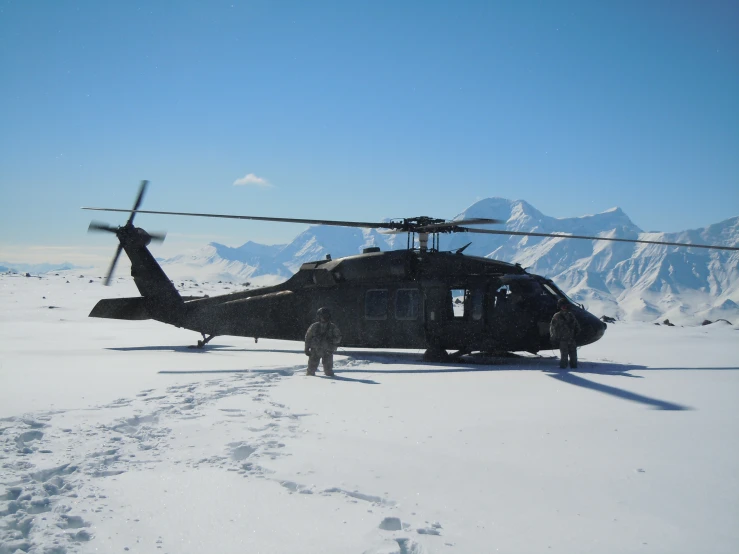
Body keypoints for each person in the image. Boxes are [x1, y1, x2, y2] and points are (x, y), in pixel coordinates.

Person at [304, 307, 342, 376]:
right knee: (310, 371)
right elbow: (308, 338)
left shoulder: (332, 327)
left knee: (328, 372)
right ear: (319, 316)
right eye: (322, 315)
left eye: (326, 315)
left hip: (327, 351)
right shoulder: (314, 326)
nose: (324, 317)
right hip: (315, 350)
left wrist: (331, 340)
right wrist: (306, 348)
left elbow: (339, 338)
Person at [550, 298, 581, 369]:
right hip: (563, 340)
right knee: (564, 356)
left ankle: (574, 367)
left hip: (571, 339)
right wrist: (553, 337)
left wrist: (577, 334)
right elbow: (553, 328)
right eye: (563, 306)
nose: (565, 308)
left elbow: (576, 326)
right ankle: (563, 370)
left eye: (566, 306)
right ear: (560, 307)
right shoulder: (557, 316)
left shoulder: (571, 315)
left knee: (573, 356)